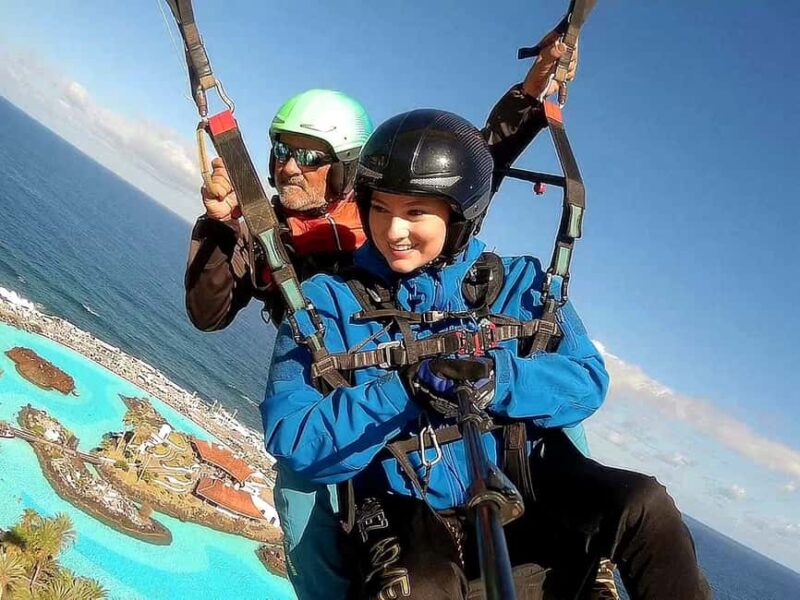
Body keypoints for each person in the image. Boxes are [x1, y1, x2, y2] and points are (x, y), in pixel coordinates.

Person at [187, 41, 608, 600]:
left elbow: (476, 163)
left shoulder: (382, 220)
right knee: (299, 486)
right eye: (282, 151)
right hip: (358, 386)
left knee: (552, 412)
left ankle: (579, 540)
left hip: (422, 376)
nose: (291, 166)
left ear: (345, 169)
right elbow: (207, 312)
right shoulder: (267, 236)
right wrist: (219, 228)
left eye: (310, 156)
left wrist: (532, 93)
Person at [262, 108, 712, 599]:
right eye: (381, 208)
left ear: (459, 216)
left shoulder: (520, 286)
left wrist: (501, 377)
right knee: (423, 588)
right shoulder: (331, 303)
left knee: (645, 505)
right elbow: (293, 435)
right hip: (404, 502)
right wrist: (402, 388)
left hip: (520, 486)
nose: (393, 231)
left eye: (416, 212)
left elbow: (586, 378)